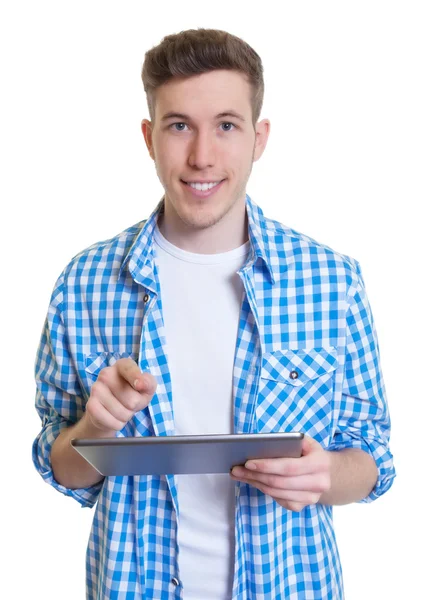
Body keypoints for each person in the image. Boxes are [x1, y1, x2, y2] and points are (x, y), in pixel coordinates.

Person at [32, 28, 395, 600]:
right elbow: (61, 466)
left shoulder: (332, 281)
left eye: (227, 125)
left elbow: (371, 456)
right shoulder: (85, 283)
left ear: (259, 137)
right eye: (179, 126)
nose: (202, 156)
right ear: (150, 138)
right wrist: (94, 430)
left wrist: (326, 476)